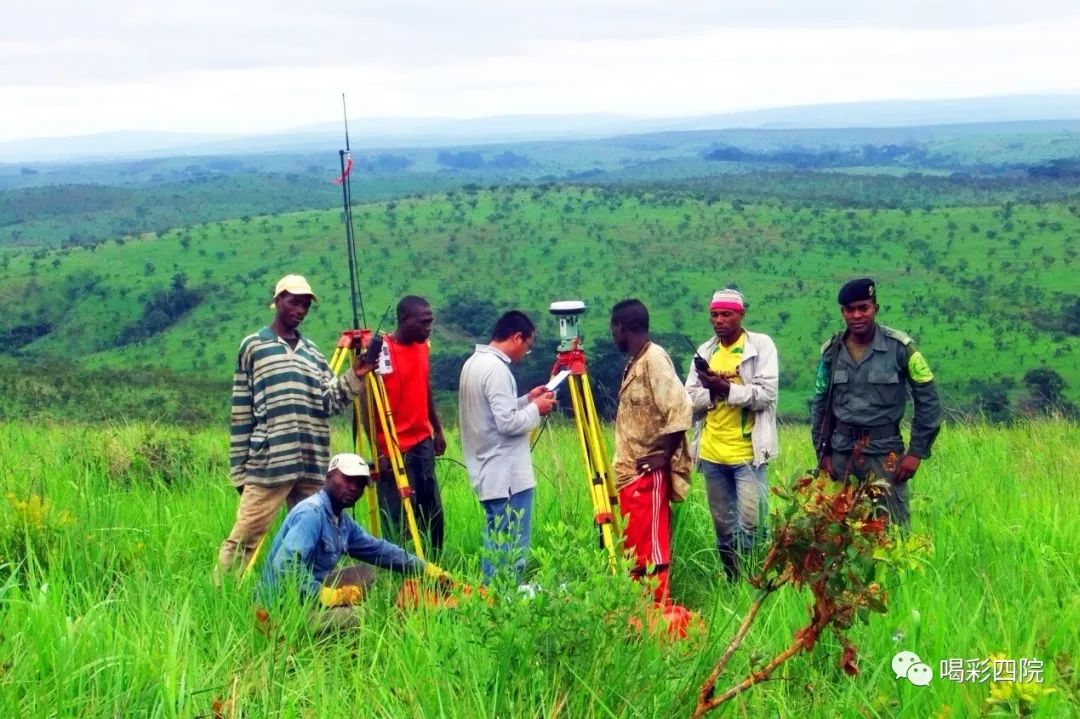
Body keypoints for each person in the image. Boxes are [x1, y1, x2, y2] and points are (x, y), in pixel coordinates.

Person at [217, 274, 374, 577]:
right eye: (293, 302)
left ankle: (312, 596)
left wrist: (356, 375)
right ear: (277, 301)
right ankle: (222, 599)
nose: (300, 310)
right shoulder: (253, 346)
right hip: (269, 462)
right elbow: (241, 412)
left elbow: (329, 403)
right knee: (246, 536)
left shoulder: (313, 353)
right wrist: (239, 470)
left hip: (312, 463)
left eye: (305, 305)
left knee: (317, 536)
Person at [809, 278, 942, 528]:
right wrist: (822, 452)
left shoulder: (901, 348)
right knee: (838, 532)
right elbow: (819, 402)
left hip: (885, 455)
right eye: (850, 310)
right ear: (843, 313)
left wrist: (916, 452)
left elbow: (928, 400)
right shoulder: (831, 351)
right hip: (841, 454)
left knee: (892, 532)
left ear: (875, 308)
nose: (857, 315)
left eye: (863, 308)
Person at [260, 453, 447, 629]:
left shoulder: (342, 521)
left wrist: (427, 569)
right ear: (329, 477)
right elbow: (285, 565)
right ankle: (305, 633)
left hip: (304, 593)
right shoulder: (312, 513)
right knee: (360, 615)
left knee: (365, 574)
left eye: (360, 484)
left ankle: (323, 615)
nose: (354, 488)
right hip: (280, 608)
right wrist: (326, 595)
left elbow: (380, 551)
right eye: (348, 480)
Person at [685, 289, 779, 581]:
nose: (719, 320)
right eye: (714, 314)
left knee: (751, 526)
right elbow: (688, 399)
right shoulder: (706, 350)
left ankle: (753, 581)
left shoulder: (760, 346)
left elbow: (766, 394)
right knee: (724, 529)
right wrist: (712, 391)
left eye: (726, 314)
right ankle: (732, 581)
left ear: (741, 315)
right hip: (712, 455)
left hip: (748, 455)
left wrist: (726, 388)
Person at [458, 311, 557, 584]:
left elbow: (493, 413)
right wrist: (537, 409)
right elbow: (507, 423)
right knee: (512, 551)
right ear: (517, 338)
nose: (526, 352)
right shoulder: (497, 369)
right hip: (507, 477)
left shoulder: (474, 363)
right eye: (527, 345)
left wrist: (527, 399)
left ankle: (493, 603)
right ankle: (506, 604)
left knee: (496, 546)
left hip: (488, 472)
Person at [610, 299, 693, 605]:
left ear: (621, 327)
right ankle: (638, 609)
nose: (613, 336)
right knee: (634, 548)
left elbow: (681, 407)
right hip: (630, 473)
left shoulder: (654, 359)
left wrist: (664, 455)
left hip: (648, 473)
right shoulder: (635, 361)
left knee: (651, 550)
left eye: (613, 329)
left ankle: (658, 611)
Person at [371, 296, 447, 556]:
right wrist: (376, 453)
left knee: (432, 511)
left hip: (422, 442)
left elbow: (425, 386)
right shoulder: (382, 351)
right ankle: (399, 572)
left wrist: (437, 428)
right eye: (423, 322)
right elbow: (368, 406)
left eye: (431, 322)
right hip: (392, 448)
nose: (429, 328)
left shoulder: (423, 345)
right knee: (399, 517)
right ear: (404, 320)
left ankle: (435, 566)